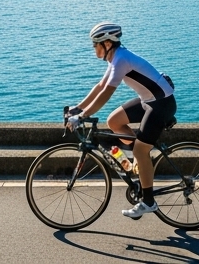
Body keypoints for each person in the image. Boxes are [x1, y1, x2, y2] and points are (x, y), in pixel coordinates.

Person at [67, 22, 177, 219]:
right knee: (114, 121)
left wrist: (82, 116)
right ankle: (143, 162)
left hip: (161, 104)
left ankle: (148, 201)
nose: (93, 48)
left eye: (95, 44)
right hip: (148, 100)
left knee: (139, 150)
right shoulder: (115, 58)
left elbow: (106, 94)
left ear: (107, 43)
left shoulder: (121, 60)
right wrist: (79, 107)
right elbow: (100, 86)